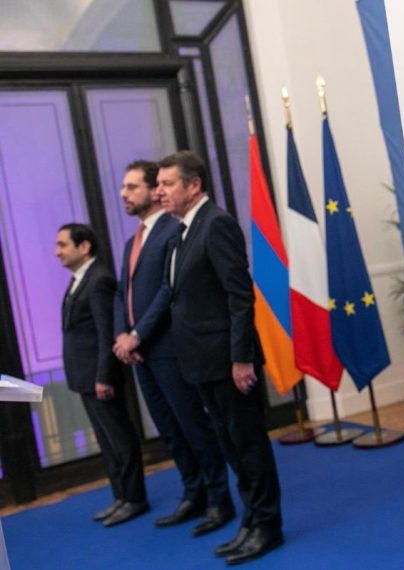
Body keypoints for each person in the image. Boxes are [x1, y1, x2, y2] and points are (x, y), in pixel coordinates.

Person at [156, 151, 283, 564]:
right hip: (202, 363)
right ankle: (251, 520)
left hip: (230, 362)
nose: (159, 192)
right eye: (158, 185)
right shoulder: (181, 232)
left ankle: (268, 527)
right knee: (231, 448)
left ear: (194, 185)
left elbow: (239, 295)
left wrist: (241, 358)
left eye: (167, 184)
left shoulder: (216, 224)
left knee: (248, 446)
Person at [111, 160, 231, 534]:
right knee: (169, 430)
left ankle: (219, 500)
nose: (123, 194)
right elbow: (122, 293)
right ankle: (193, 494)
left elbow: (168, 289)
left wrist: (139, 334)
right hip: (141, 354)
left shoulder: (172, 230)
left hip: (169, 347)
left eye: (132, 187)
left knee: (193, 425)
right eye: (124, 187)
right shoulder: (132, 242)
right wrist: (122, 336)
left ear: (152, 191)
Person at [55, 223, 147, 526]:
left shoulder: (99, 280)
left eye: (63, 245)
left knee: (120, 439)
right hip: (85, 376)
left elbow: (106, 332)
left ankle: (134, 498)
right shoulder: (79, 279)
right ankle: (121, 496)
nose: (57, 252)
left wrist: (104, 376)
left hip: (100, 376)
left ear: (84, 247)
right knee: (107, 441)